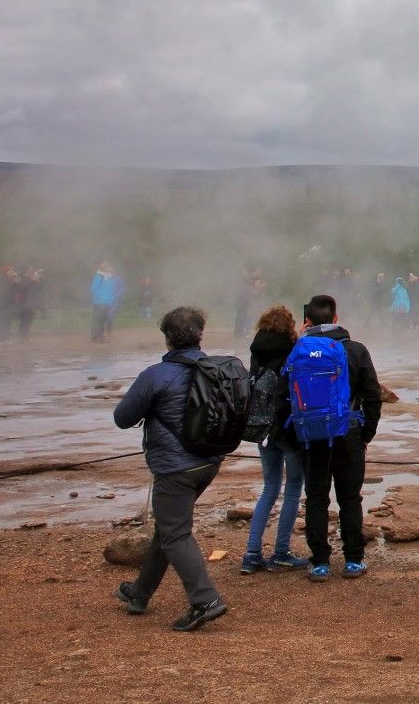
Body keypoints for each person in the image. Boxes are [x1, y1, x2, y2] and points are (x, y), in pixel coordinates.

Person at [110, 306, 229, 631]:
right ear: (200, 335)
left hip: (175, 468)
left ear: (166, 338)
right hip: (209, 462)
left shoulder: (155, 376)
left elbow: (122, 418)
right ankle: (139, 594)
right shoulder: (216, 369)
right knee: (167, 529)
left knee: (175, 534)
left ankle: (205, 599)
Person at [297, 293, 383, 582]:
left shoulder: (299, 351)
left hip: (312, 435)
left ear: (307, 321)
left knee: (317, 497)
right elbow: (373, 395)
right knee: (349, 498)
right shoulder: (355, 350)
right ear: (336, 318)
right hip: (349, 432)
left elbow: (287, 396)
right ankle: (353, 561)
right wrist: (366, 433)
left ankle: (320, 562)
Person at [242, 305, 307, 575]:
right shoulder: (293, 349)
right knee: (293, 488)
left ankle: (251, 554)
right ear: (289, 326)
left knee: (269, 488)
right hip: (288, 429)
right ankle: (280, 552)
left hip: (263, 428)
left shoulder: (256, 350)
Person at [89, 264, 123, 343]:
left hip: (107, 303)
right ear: (104, 268)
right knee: (97, 320)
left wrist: (110, 300)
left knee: (103, 321)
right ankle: (95, 337)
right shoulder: (99, 277)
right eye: (109, 267)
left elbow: (111, 291)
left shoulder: (110, 278)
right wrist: (103, 298)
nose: (111, 268)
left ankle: (101, 337)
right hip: (99, 303)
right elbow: (93, 289)